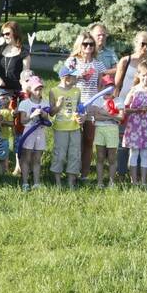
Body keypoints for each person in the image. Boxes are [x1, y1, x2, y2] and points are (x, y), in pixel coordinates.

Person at [64, 31, 103, 178]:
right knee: (74, 140)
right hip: (74, 103)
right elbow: (64, 81)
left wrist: (98, 102)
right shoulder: (72, 61)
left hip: (91, 105)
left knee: (88, 139)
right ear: (79, 45)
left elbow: (101, 85)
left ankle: (84, 174)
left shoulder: (98, 63)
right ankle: (71, 171)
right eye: (85, 44)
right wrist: (79, 75)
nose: (88, 47)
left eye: (91, 44)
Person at [121, 66, 147, 186]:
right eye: (143, 75)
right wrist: (137, 110)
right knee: (134, 152)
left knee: (145, 153)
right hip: (134, 125)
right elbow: (125, 109)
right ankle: (133, 181)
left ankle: (143, 181)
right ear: (138, 75)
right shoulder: (133, 90)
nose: (146, 78)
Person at [49, 65, 83, 189]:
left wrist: (82, 117)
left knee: (75, 154)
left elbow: (80, 108)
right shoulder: (54, 91)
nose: (77, 78)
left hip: (75, 128)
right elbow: (51, 112)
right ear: (66, 78)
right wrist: (58, 106)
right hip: (60, 128)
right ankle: (58, 182)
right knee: (60, 154)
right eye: (74, 76)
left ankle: (71, 181)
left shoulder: (77, 91)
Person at [17, 76, 51, 190]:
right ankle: (25, 182)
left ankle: (36, 183)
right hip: (29, 132)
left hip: (40, 132)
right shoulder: (25, 103)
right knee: (26, 158)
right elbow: (22, 121)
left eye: (40, 89)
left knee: (37, 159)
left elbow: (48, 121)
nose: (39, 91)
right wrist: (32, 115)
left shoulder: (45, 103)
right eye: (36, 89)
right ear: (29, 90)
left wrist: (44, 114)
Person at [88, 73, 121, 188]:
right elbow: (96, 117)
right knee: (100, 157)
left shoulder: (118, 100)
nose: (108, 90)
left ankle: (112, 182)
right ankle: (100, 182)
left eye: (111, 87)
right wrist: (113, 116)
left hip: (112, 130)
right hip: (100, 129)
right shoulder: (97, 101)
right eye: (105, 87)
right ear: (101, 88)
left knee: (112, 157)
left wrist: (105, 114)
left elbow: (121, 117)